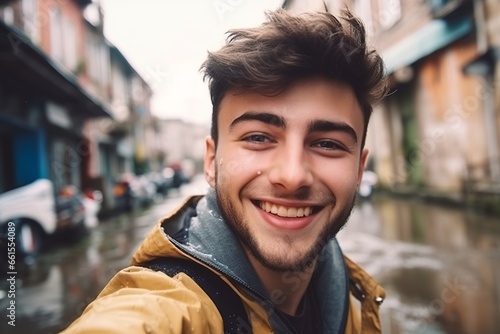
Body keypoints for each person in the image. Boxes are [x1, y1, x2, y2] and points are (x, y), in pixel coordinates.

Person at [62, 7, 387, 334]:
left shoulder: (350, 296)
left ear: (359, 169)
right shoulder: (165, 306)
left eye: (328, 144)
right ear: (211, 162)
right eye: (258, 138)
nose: (292, 176)